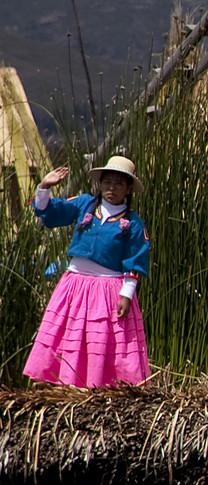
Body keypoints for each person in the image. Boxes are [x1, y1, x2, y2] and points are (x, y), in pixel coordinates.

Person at [25, 156, 152, 387]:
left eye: (118, 184)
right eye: (107, 182)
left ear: (129, 188)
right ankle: (64, 380)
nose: (111, 188)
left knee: (100, 337)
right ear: (100, 184)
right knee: (69, 333)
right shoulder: (85, 204)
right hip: (74, 285)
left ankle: (99, 383)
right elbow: (51, 213)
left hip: (108, 289)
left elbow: (135, 259)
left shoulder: (133, 223)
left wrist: (127, 294)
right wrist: (44, 186)